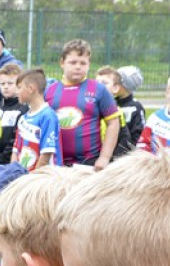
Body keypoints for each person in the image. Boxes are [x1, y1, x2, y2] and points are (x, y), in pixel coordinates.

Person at [46, 39, 120, 169]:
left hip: (89, 163)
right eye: (73, 62)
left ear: (89, 64)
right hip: (55, 163)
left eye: (83, 63)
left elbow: (113, 123)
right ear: (62, 63)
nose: (78, 66)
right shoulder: (49, 91)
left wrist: (104, 158)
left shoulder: (99, 90)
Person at [12, 68, 61, 169]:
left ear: (31, 88)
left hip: (43, 180)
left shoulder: (48, 116)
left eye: (19, 87)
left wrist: (34, 180)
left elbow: (46, 154)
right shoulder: (22, 118)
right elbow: (15, 150)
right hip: (24, 178)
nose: (16, 92)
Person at [0, 62, 26, 164]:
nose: (6, 87)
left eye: (10, 83)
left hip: (8, 162)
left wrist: (1, 161)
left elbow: (15, 140)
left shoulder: (23, 109)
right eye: (2, 84)